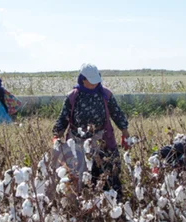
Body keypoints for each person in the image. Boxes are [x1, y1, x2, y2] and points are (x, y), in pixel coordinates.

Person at [52, 63, 130, 199]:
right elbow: (63, 118)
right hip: (77, 141)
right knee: (77, 175)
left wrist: (125, 131)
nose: (94, 84)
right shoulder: (73, 97)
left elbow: (117, 113)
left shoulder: (105, 95)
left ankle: (110, 202)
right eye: (91, 81)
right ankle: (79, 205)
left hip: (101, 139)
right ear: (82, 80)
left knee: (108, 171)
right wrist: (56, 135)